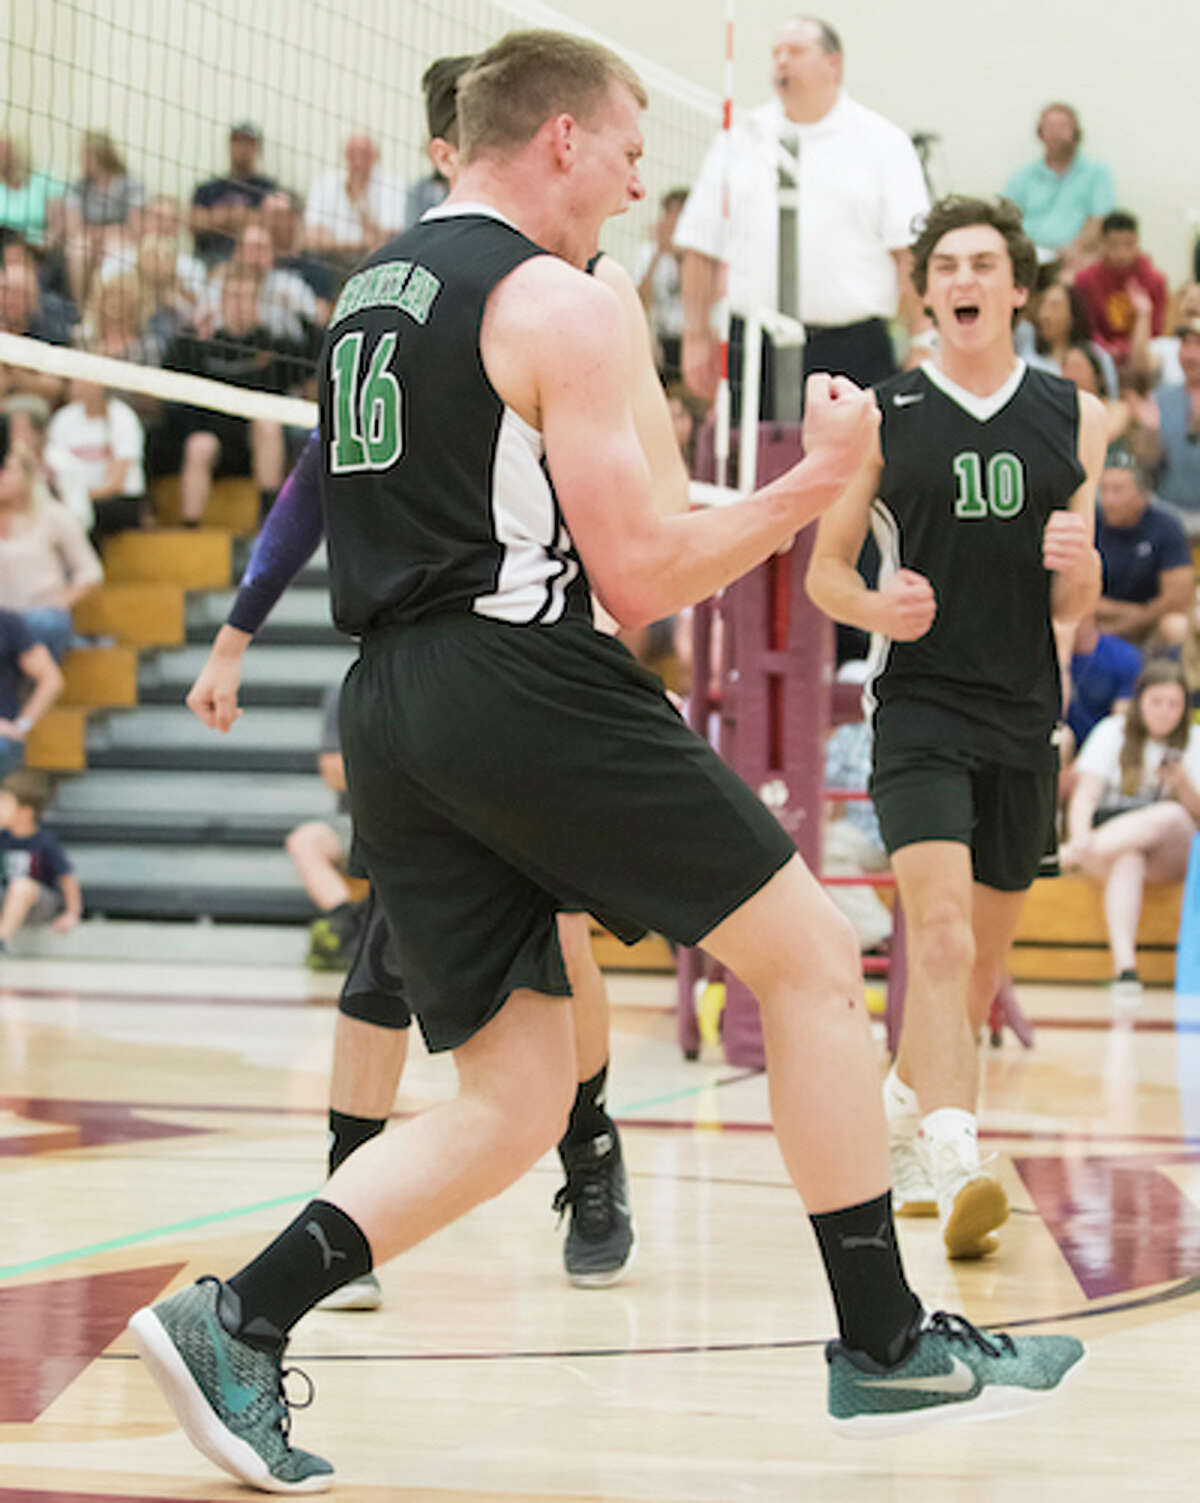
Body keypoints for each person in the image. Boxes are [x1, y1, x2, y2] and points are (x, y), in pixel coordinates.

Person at [131, 38, 1085, 1492]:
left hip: (387, 701)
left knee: (514, 1094)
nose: (642, 184)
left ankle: (235, 1320)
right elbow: (639, 578)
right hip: (522, 679)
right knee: (817, 958)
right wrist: (813, 483)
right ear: (562, 139)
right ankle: (888, 1342)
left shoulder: (368, 292)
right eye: (633, 152)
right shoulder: (556, 301)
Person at [186, 48, 692, 1307]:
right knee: (387, 943)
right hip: (434, 669)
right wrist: (239, 628)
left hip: (547, 651)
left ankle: (588, 1153)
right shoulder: (404, 288)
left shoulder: (583, 288)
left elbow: (651, 503)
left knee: (552, 932)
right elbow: (324, 471)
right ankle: (350, 1189)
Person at [806, 194, 1105, 1260]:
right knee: (936, 936)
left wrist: (1085, 569)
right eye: (946, 267)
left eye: (983, 264)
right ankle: (956, 1156)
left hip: (1024, 712)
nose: (964, 280)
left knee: (973, 975)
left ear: (1018, 288)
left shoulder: (1076, 413)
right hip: (919, 705)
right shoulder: (884, 413)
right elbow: (825, 573)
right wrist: (877, 606)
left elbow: (1074, 608)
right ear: (924, 293)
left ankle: (900, 1109)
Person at [675, 15, 932, 416]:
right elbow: (700, 243)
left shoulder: (883, 142)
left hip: (851, 348)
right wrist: (694, 336)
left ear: (834, 63)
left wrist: (923, 341)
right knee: (751, 456)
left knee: (854, 456)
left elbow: (910, 254)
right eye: (776, 52)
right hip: (753, 347)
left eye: (795, 51)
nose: (782, 61)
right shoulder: (742, 137)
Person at [1063, 659, 1199, 996]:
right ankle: (1126, 969)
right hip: (1110, 848)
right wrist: (1080, 834)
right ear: (1140, 702)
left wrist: (1183, 785)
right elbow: (1085, 796)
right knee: (1129, 859)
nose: (1164, 712)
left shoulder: (1195, 739)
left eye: (1173, 704)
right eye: (1156, 702)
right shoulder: (1112, 731)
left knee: (1170, 813)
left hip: (1175, 851)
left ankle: (1065, 856)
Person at [154, 267, 310, 524]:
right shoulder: (204, 342)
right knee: (198, 445)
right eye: (233, 297)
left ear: (257, 303)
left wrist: (295, 316)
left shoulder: (274, 344)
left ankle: (268, 521)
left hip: (258, 442)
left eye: (247, 297)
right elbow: (168, 373)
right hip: (216, 436)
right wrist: (191, 332)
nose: (239, 305)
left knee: (267, 424)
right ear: (222, 302)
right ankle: (190, 529)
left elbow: (311, 361)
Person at [0, 411, 103, 660]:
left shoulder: (53, 515)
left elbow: (90, 571)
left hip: (40, 613)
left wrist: (61, 600)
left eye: (6, 470)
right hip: (4, 618)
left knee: (40, 624)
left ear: (27, 476)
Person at [285, 682, 367, 971]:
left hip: (411, 822)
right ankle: (348, 923)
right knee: (305, 840)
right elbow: (333, 772)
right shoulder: (347, 691)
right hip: (353, 822)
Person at [1093, 449, 1192, 649]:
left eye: (1117, 491)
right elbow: (1073, 593)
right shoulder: (1090, 522)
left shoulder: (1166, 526)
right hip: (1097, 620)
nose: (1108, 500)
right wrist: (1127, 612)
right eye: (1104, 490)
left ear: (1142, 495)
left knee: (1176, 625)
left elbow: (1178, 596)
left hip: (1151, 622)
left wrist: (1138, 618)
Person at [1002, 103, 1115, 272]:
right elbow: (1008, 221)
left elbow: (1099, 220)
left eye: (1062, 127)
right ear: (1040, 133)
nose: (1056, 133)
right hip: (1030, 258)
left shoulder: (1096, 173)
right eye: (1050, 127)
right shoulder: (1021, 177)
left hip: (1076, 257)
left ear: (1076, 132)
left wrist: (1075, 248)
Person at [46, 378, 146, 547]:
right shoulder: (64, 418)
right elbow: (53, 464)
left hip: (119, 500)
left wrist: (79, 498)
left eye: (81, 380)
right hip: (74, 497)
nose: (74, 385)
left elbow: (116, 483)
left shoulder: (122, 417)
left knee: (82, 515)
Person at [61, 130, 145, 308]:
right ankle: (81, 309)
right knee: (78, 249)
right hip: (89, 237)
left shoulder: (130, 184)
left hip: (120, 238)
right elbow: (73, 227)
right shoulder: (78, 186)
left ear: (101, 155)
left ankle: (108, 309)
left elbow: (135, 228)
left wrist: (103, 235)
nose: (81, 160)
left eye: (85, 155)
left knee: (115, 250)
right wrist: (97, 236)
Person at [1073, 212, 1167, 369]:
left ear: (1137, 243)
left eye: (1129, 245)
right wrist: (1107, 349)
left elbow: (1156, 332)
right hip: (1099, 355)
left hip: (1141, 355)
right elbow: (1086, 328)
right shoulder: (1085, 280)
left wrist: (1128, 349)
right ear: (1102, 244)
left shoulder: (1155, 280)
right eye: (1113, 245)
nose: (1121, 253)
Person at [1129, 320, 1200, 527]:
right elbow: (1146, 466)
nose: (1190, 355)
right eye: (1185, 344)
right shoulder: (1161, 398)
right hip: (1168, 517)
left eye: (1198, 345)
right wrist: (1149, 433)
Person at [0, 769, 81, 950]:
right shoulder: (2, 838)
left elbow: (67, 878)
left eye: (4, 804)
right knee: (16, 887)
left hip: (39, 903)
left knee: (21, 885)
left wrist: (72, 913)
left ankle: (2, 938)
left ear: (25, 811)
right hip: (7, 898)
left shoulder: (44, 842)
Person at [303, 134, 406, 273]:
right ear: (344, 156)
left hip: (378, 262)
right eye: (352, 154)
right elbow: (312, 239)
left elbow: (391, 236)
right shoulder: (325, 183)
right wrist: (361, 244)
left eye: (365, 154)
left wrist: (360, 203)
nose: (358, 161)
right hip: (331, 262)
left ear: (376, 157)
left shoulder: (393, 185)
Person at [189, 123, 277, 267]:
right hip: (208, 260)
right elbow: (195, 223)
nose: (243, 148)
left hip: (252, 262)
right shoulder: (208, 188)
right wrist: (242, 216)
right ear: (230, 145)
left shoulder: (268, 188)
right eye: (238, 141)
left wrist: (216, 217)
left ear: (258, 149)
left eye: (249, 143)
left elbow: (270, 223)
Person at [1014, 280, 1118, 397]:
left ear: (1072, 314)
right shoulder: (1029, 362)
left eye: (1055, 306)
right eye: (1042, 306)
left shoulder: (1096, 354)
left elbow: (1110, 396)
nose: (1045, 315)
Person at [633, 187, 687, 381]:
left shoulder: (696, 255)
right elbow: (640, 302)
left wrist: (677, 254)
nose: (672, 220)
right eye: (668, 213)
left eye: (678, 213)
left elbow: (690, 298)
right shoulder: (648, 252)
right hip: (660, 336)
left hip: (687, 337)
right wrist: (659, 253)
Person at [0, 137, 64, 250]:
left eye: (7, 154)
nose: (4, 160)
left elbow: (58, 224)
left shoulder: (43, 181)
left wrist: (44, 245)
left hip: (38, 248)